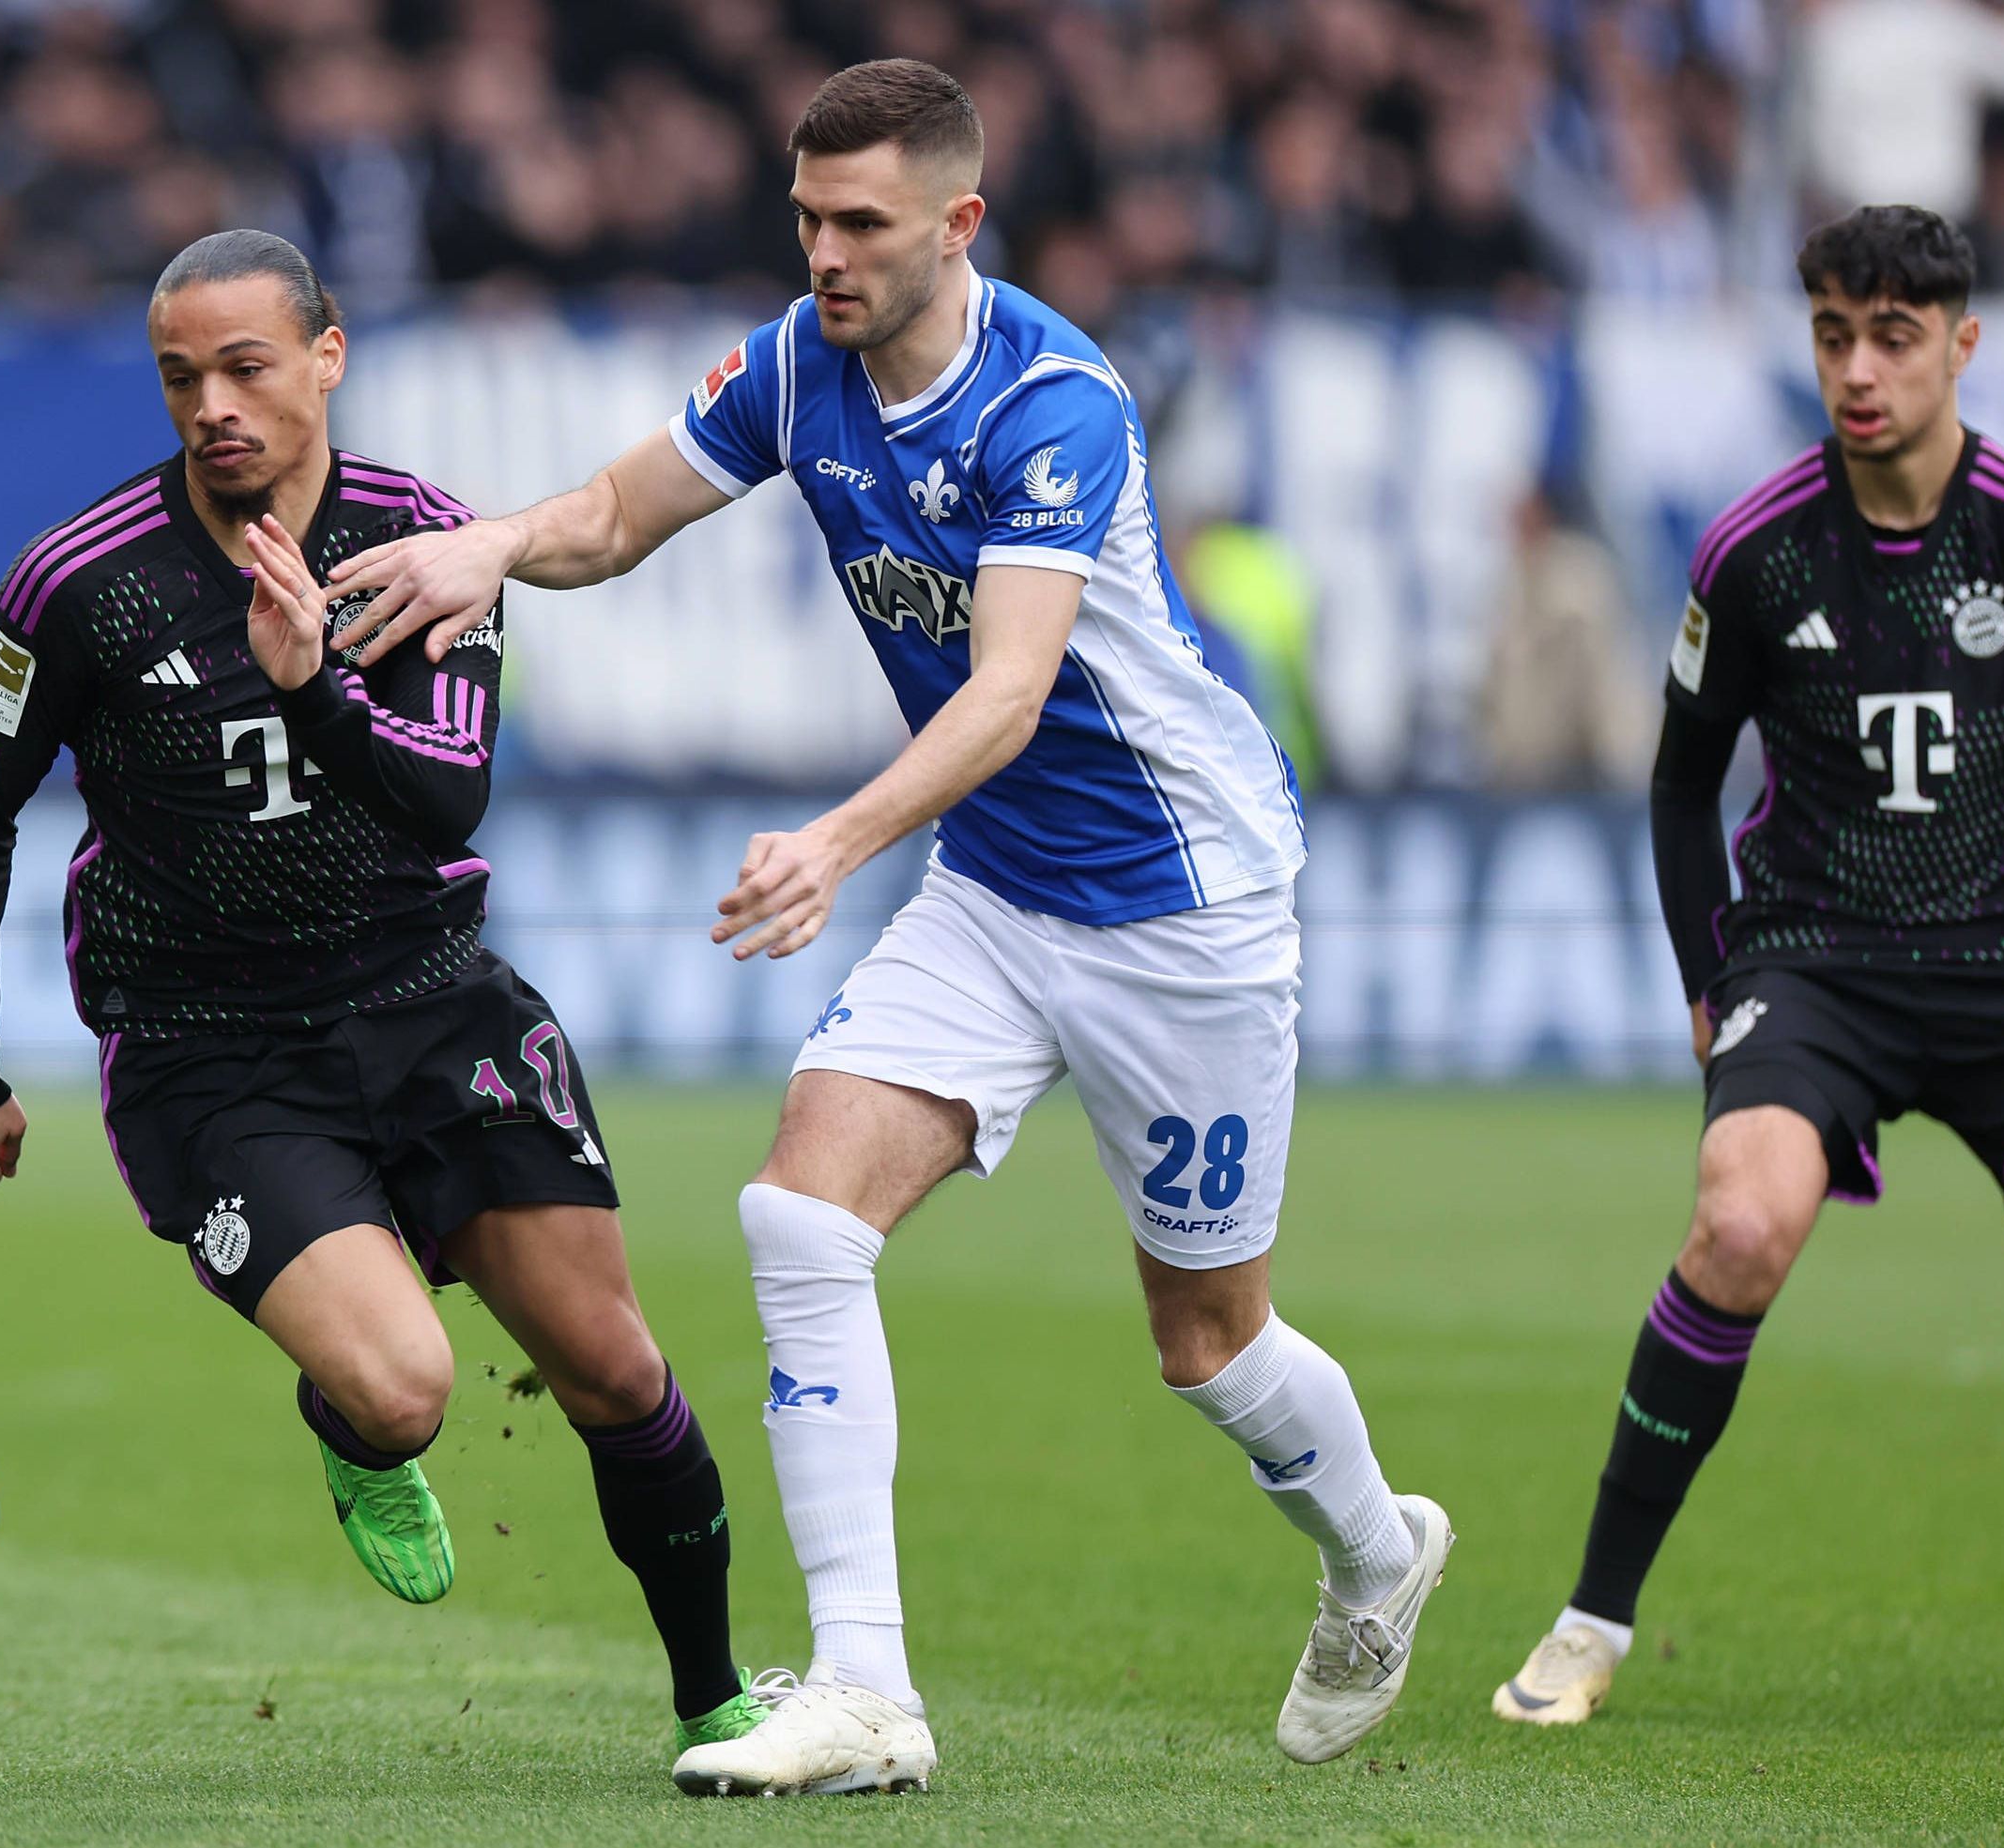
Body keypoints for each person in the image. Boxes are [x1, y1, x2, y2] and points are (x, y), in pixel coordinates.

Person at [327, 59, 1449, 1795]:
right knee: (797, 1211)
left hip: (1182, 908)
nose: (826, 253)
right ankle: (867, 1692)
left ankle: (1378, 1551)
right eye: (806, 218)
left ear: (957, 224)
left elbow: (1009, 687)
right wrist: (490, 546)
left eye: (861, 224)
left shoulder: (1053, 402)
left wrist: (841, 841)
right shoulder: (794, 363)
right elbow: (622, 513)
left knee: (1208, 1341)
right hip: (999, 888)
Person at [0, 229, 757, 1774]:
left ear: (328, 355)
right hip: (212, 1051)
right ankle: (351, 1432)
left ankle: (716, 1699)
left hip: (432, 998)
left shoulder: (426, 540)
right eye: (182, 376)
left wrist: (310, 676)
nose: (213, 404)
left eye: (246, 365)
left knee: (616, 1368)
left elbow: (448, 798)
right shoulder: (77, 580)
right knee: (407, 1387)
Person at [1493, 206, 2004, 1728]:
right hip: (1814, 955)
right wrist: (1708, 978)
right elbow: (1684, 788)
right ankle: (1590, 1614)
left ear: (1961, 343)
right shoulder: (1754, 551)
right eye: (1833, 334)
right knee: (1740, 1221)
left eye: (1893, 336)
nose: (1860, 369)